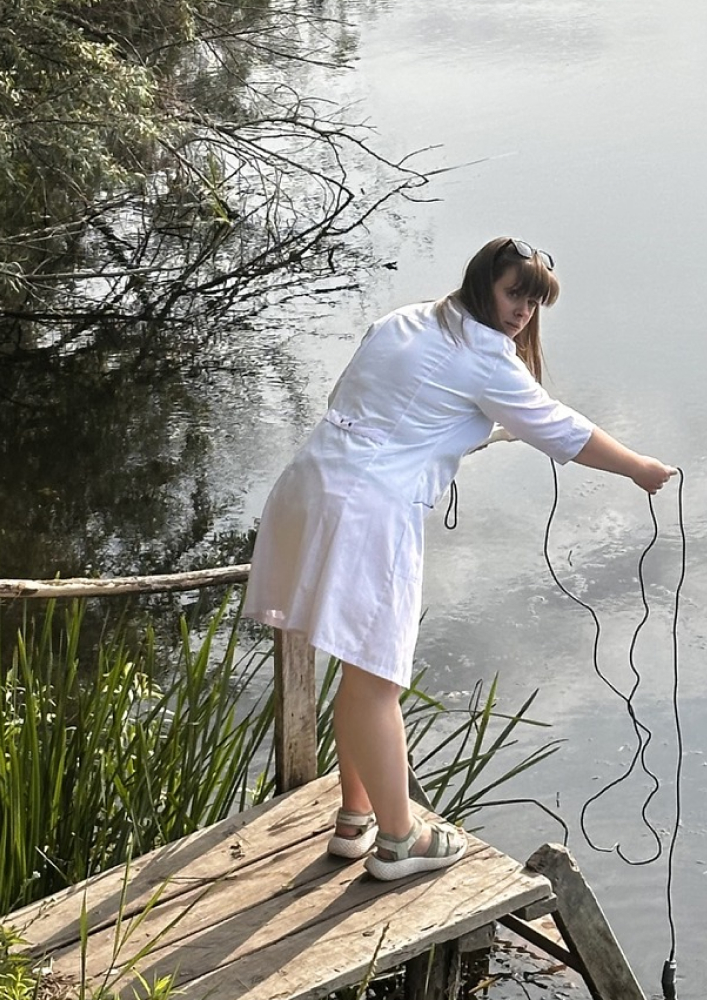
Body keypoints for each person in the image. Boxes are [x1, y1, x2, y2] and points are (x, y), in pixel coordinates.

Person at [242, 236, 674, 880]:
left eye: (535, 301)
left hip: (311, 484)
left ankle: (355, 818)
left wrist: (471, 428)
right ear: (482, 284)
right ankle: (399, 841)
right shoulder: (485, 360)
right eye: (514, 294)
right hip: (368, 511)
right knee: (378, 680)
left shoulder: (406, 320)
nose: (524, 311)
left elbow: (382, 402)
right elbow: (564, 429)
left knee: (360, 667)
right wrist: (639, 467)